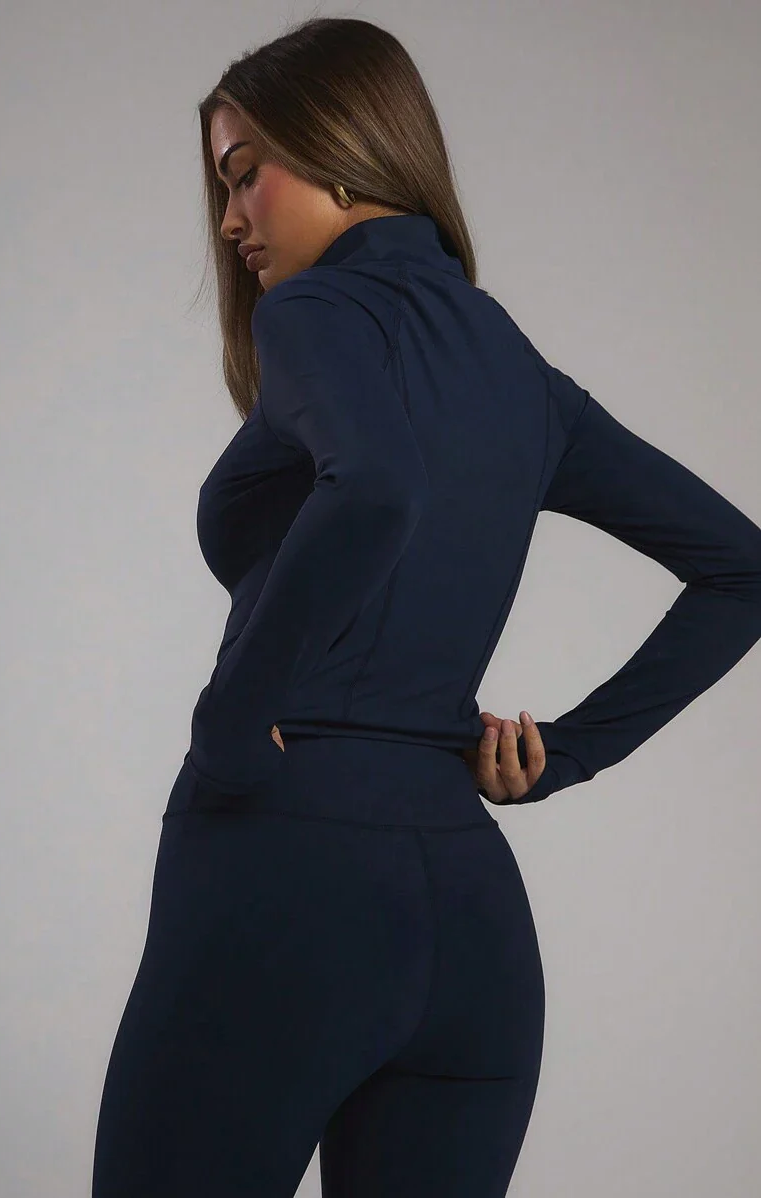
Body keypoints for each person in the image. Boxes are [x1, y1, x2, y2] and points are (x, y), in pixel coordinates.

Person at [91, 16, 761, 1198]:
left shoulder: (312, 318)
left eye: (245, 175)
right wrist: (560, 757)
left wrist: (232, 722)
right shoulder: (523, 375)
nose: (231, 220)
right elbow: (740, 569)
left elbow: (377, 485)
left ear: (341, 153)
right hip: (468, 918)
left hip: (281, 877)